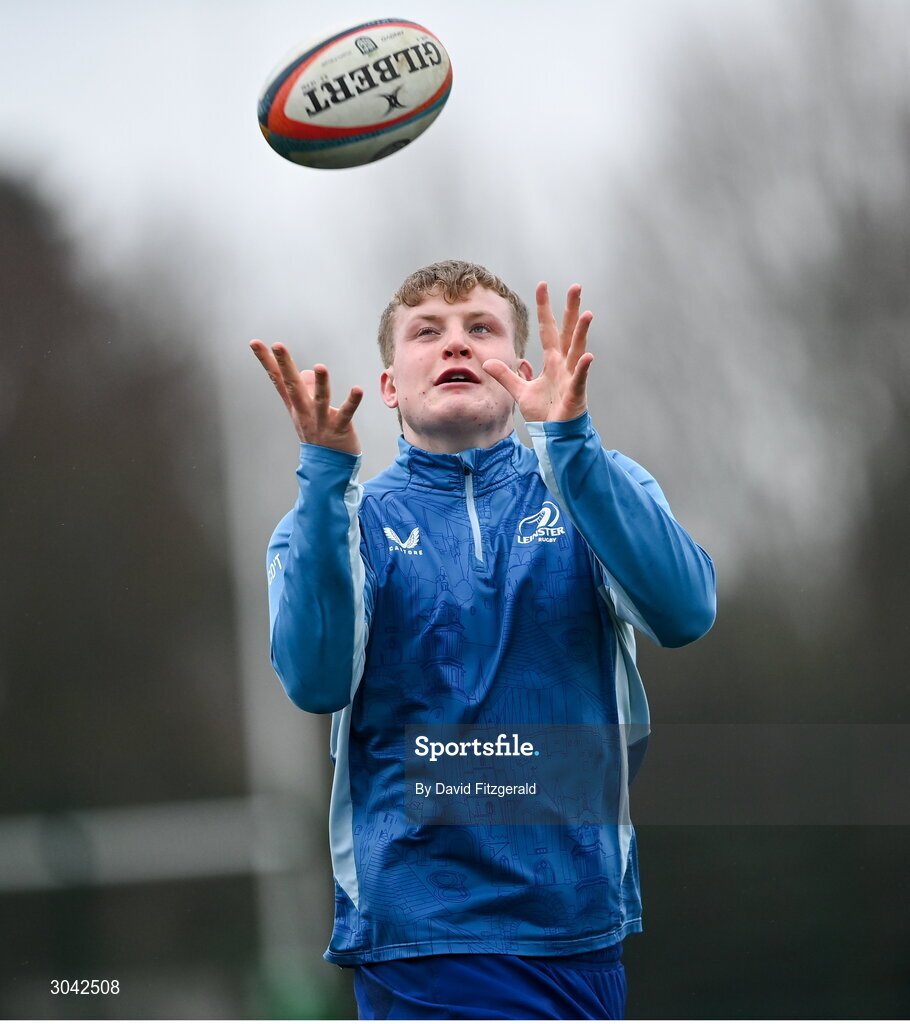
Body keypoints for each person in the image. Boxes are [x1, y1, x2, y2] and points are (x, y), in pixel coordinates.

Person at [250, 260, 715, 1020]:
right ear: (391, 384)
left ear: (521, 372)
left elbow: (685, 612)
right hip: (425, 938)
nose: (454, 344)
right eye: (426, 332)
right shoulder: (338, 521)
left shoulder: (593, 483)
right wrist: (323, 482)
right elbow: (316, 679)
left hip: (579, 929)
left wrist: (570, 442)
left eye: (480, 329)